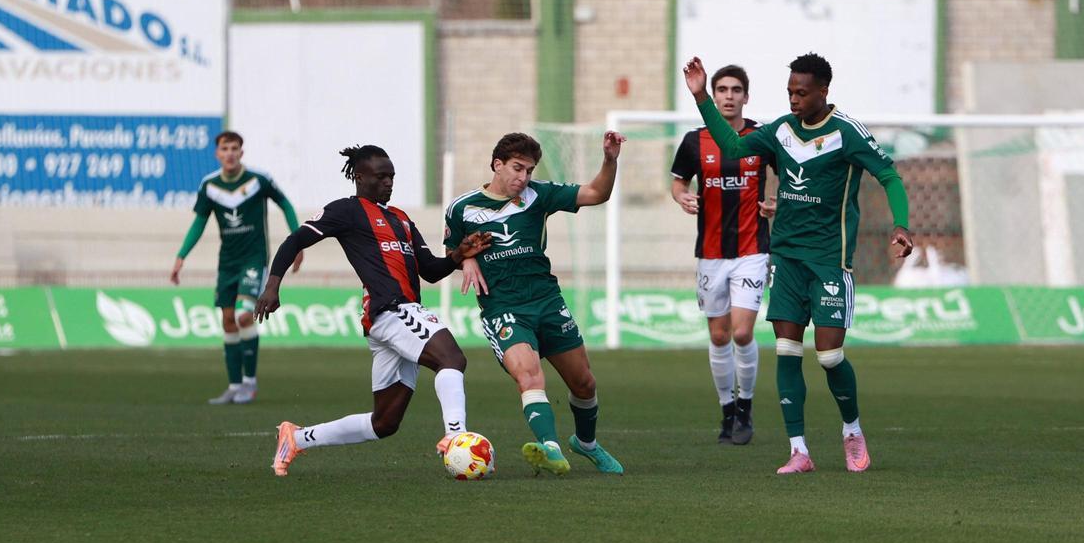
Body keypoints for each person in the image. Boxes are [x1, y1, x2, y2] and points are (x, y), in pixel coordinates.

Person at [683, 53, 913, 474]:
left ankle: (852, 431)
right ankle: (799, 451)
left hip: (829, 262)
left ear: (823, 91)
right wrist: (701, 97)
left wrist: (901, 225)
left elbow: (889, 176)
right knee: (787, 352)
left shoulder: (847, 132)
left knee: (829, 355)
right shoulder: (781, 130)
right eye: (789, 91)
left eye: (801, 93)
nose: (793, 99)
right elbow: (733, 146)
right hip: (786, 258)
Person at [254, 144, 491, 477]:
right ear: (360, 177)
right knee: (451, 358)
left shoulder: (402, 219)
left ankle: (297, 438)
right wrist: (272, 286)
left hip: (397, 316)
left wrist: (456, 256)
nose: (388, 182)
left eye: (391, 176)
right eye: (380, 176)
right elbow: (295, 240)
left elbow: (429, 270)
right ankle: (456, 437)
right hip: (390, 310)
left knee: (384, 422)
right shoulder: (346, 211)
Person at [444, 131, 626, 477]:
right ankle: (550, 448)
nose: (523, 177)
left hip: (546, 301)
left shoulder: (538, 195)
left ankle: (586, 443)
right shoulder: (462, 207)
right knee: (529, 376)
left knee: (584, 383)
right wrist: (464, 260)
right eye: (517, 168)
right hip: (503, 308)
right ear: (497, 164)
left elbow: (596, 193)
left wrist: (609, 159)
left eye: (529, 170)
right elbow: (452, 249)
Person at [670, 64, 776, 446]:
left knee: (742, 332)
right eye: (722, 90)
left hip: (752, 249)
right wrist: (681, 196)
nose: (729, 96)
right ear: (713, 96)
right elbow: (678, 181)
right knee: (718, 336)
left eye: (736, 90)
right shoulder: (694, 141)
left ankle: (745, 406)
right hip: (711, 252)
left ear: (746, 96)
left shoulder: (762, 137)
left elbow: (787, 176)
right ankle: (727, 410)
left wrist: (776, 201)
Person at [170, 131, 302, 405]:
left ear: (241, 152)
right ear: (217, 153)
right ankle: (234, 386)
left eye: (234, 148)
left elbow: (285, 204)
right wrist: (182, 255)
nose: (229, 153)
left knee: (244, 315)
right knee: (228, 320)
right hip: (227, 262)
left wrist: (297, 241)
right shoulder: (210, 186)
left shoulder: (258, 180)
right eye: (224, 148)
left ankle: (250, 383)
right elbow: (199, 222)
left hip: (254, 258)